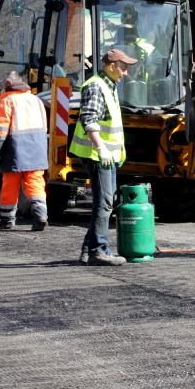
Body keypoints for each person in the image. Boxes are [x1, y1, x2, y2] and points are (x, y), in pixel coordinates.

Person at [69, 48, 138, 265]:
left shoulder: (108, 85)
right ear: (111, 66)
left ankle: (89, 249)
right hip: (97, 155)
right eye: (124, 67)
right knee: (105, 202)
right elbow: (88, 120)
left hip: (104, 155)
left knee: (106, 200)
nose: (126, 72)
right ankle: (98, 250)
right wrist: (101, 148)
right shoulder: (96, 86)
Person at [0, 71, 49, 231]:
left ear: (8, 85)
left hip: (14, 150)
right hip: (37, 149)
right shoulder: (37, 100)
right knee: (35, 183)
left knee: (10, 184)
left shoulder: (7, 101)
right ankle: (41, 215)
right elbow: (44, 127)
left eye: (2, 86)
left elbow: (1, 131)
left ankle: (7, 220)